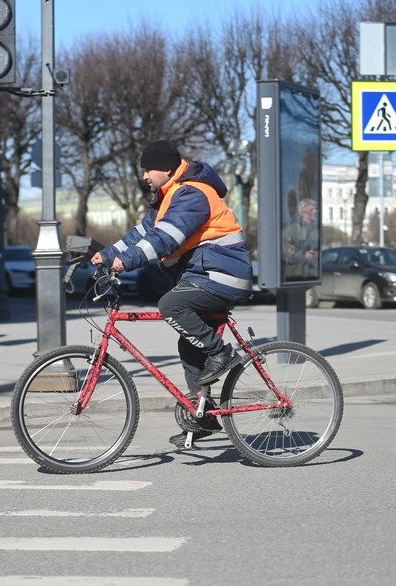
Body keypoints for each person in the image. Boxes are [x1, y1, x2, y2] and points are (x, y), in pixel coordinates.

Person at [91, 140, 253, 447]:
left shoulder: (193, 193)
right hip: (205, 274)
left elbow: (166, 238)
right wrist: (108, 254)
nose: (144, 176)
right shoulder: (169, 197)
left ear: (166, 169)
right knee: (188, 343)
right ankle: (201, 414)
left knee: (170, 305)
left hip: (223, 274)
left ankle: (221, 353)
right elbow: (143, 234)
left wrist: (127, 261)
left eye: (148, 169)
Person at [282, 195, 319, 279]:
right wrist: (303, 256)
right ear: (302, 212)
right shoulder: (291, 231)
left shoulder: (316, 230)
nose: (315, 212)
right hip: (295, 275)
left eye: (315, 209)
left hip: (311, 274)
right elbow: (286, 253)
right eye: (311, 210)